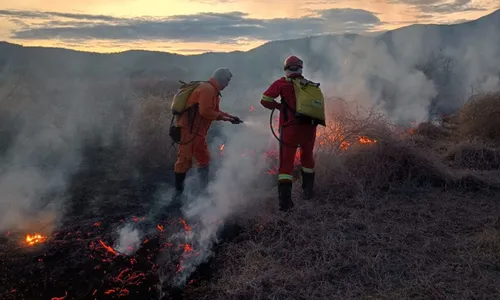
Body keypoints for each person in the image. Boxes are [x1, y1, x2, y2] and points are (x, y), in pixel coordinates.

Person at [173, 67, 241, 205]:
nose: (227, 85)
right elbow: (205, 112)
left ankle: (204, 190)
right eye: (227, 81)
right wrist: (225, 119)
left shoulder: (213, 91)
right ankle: (178, 194)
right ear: (221, 80)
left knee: (204, 159)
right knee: (184, 161)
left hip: (198, 133)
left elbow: (214, 110)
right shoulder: (207, 89)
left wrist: (230, 116)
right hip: (189, 131)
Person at [260, 55, 318, 212]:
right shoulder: (310, 85)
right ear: (301, 69)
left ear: (286, 69)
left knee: (286, 166)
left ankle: (285, 205)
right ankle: (308, 193)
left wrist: (278, 106)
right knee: (307, 160)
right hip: (309, 130)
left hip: (289, 130)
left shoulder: (281, 83)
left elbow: (264, 100)